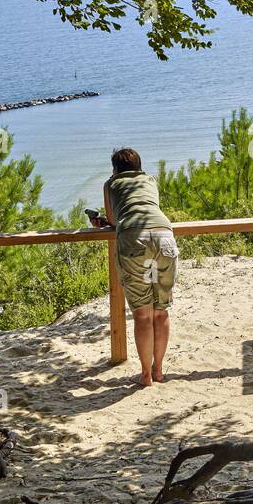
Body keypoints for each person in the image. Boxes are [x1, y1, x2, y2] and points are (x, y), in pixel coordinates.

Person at [94, 148, 178, 387]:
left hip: (133, 238)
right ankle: (159, 370)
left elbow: (112, 219)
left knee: (143, 314)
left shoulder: (110, 184)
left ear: (114, 169)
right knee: (160, 311)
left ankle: (145, 375)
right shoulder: (150, 179)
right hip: (163, 235)